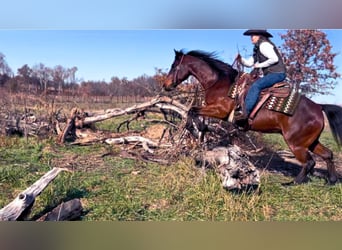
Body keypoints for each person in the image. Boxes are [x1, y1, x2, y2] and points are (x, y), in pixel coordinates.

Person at [235, 29, 286, 124]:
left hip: (277, 74)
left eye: (253, 35)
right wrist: (240, 59)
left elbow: (274, 59)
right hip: (273, 74)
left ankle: (245, 112)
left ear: (259, 36)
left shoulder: (264, 45)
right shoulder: (258, 48)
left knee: (256, 86)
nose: (251, 38)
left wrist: (259, 65)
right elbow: (250, 63)